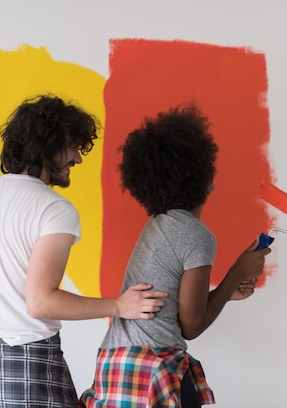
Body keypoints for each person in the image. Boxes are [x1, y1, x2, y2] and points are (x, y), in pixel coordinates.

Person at [0, 94, 169, 407]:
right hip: (28, 366)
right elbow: (42, 302)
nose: (78, 159)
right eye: (73, 147)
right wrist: (118, 306)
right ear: (48, 146)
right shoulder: (54, 208)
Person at [78, 103, 272, 408]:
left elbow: (178, 313)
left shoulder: (159, 225)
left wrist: (224, 292)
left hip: (116, 364)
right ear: (202, 176)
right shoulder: (196, 235)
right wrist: (236, 271)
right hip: (152, 366)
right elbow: (192, 326)